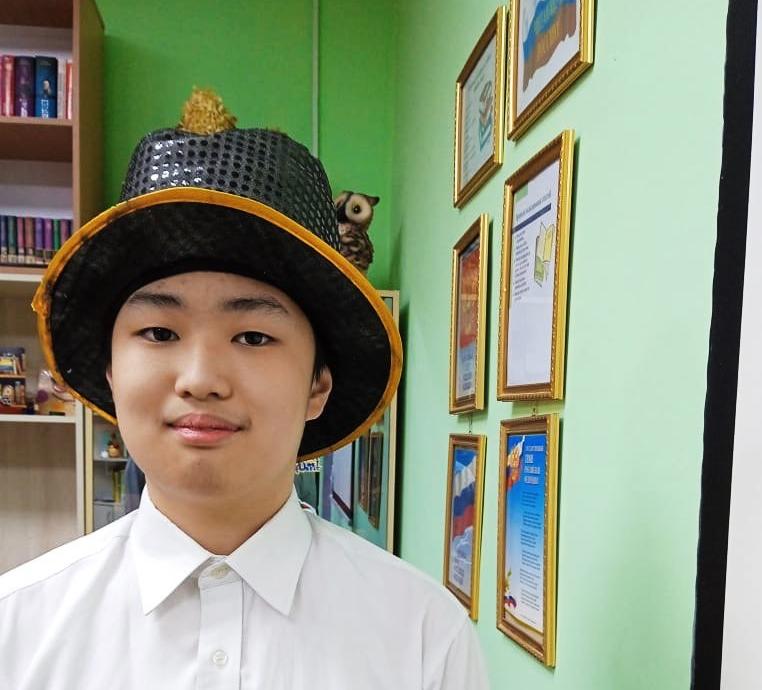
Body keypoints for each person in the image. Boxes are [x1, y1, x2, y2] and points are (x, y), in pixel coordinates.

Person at [0, 92, 490, 689]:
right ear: (110, 372)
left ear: (318, 386)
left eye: (253, 336)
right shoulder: (18, 629)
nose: (201, 379)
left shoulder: (422, 636)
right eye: (159, 332)